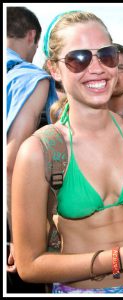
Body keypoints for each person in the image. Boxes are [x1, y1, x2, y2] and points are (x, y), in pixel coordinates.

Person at [11, 11, 123, 294]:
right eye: (78, 58)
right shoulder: (39, 151)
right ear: (54, 69)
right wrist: (119, 259)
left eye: (106, 55)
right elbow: (29, 264)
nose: (97, 68)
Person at [6, 6, 58, 293]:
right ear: (31, 36)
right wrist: (18, 234)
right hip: (12, 207)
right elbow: (11, 162)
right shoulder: (30, 77)